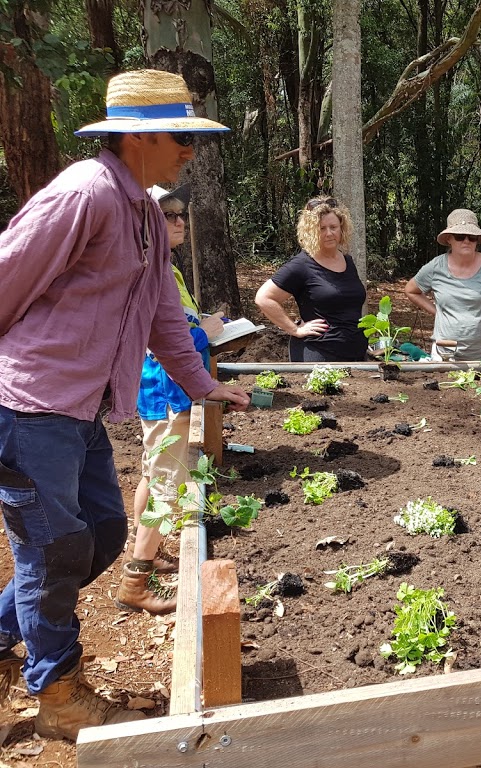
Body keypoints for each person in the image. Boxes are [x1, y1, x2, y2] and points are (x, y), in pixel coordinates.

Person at [0, 69, 249, 740]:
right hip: (29, 404)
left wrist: (203, 385)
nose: (191, 151)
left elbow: (165, 315)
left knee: (104, 533)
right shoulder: (82, 196)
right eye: (181, 137)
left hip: (77, 407)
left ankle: (3, 636)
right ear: (139, 137)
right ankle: (59, 695)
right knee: (53, 552)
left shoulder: (140, 209)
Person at [115, 184, 229, 614]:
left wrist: (203, 326)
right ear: (145, 224)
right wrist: (208, 332)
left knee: (151, 472)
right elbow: (160, 337)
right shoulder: (151, 271)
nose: (180, 222)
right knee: (168, 485)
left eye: (182, 215)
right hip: (167, 389)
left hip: (159, 390)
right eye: (169, 215)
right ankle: (135, 581)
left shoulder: (166, 267)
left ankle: (146, 548)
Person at [255, 197, 368, 362]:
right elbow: (263, 298)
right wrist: (294, 329)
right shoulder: (301, 264)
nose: (329, 233)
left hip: (356, 355)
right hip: (319, 355)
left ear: (342, 228)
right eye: (322, 228)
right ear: (311, 231)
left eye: (333, 227)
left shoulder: (348, 261)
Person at [405, 209, 481, 361]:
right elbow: (411, 290)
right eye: (459, 236)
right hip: (444, 353)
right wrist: (437, 312)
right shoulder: (436, 266)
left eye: (471, 237)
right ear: (449, 239)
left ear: (477, 240)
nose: (466, 241)